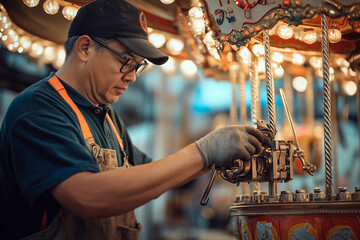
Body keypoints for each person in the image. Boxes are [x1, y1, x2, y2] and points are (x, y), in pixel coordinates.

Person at [0, 0, 268, 239]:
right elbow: (86, 196)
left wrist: (219, 159)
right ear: (84, 48)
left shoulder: (106, 116)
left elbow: (153, 175)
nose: (131, 76)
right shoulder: (38, 109)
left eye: (138, 66)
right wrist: (204, 151)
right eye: (126, 61)